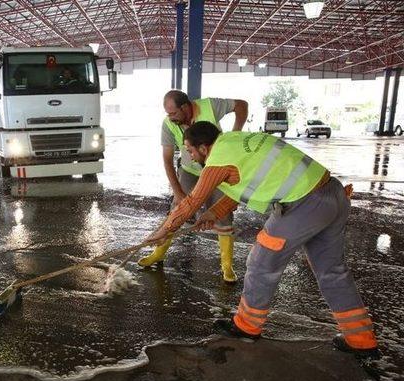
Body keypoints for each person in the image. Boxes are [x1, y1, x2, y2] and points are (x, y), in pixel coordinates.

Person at [146, 121, 378, 356]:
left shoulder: (217, 159)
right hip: (334, 195)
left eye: (190, 150)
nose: (190, 157)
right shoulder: (236, 143)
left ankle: (247, 327)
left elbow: (190, 202)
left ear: (204, 148)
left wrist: (163, 230)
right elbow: (243, 185)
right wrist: (213, 213)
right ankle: (361, 340)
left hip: (303, 204)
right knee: (332, 271)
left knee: (260, 264)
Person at [138, 90, 248, 285]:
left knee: (223, 214)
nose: (170, 118)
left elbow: (241, 105)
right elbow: (167, 160)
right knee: (178, 210)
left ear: (185, 107)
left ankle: (227, 266)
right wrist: (178, 192)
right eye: (167, 113)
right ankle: (158, 254)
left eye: (173, 113)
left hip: (217, 168)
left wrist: (235, 133)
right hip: (189, 171)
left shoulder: (210, 106)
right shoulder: (168, 124)